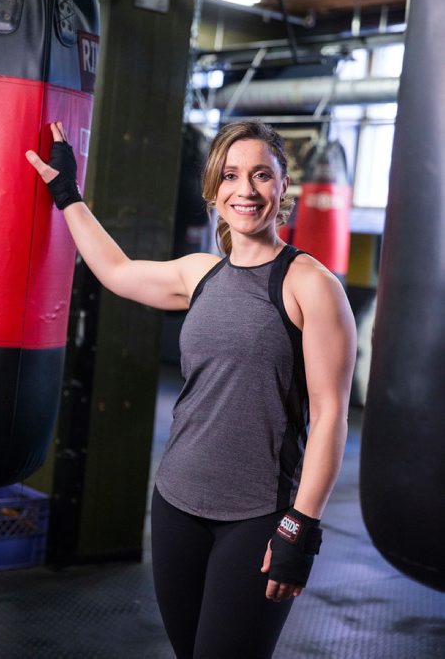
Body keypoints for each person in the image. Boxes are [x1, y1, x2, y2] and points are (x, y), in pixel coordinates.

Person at [26, 119, 357, 659]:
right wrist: (66, 194)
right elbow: (116, 270)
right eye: (230, 176)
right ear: (213, 187)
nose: (245, 191)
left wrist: (302, 526)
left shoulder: (309, 284)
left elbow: (331, 416)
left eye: (261, 176)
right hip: (178, 504)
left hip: (258, 516)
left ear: (282, 186)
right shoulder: (199, 275)